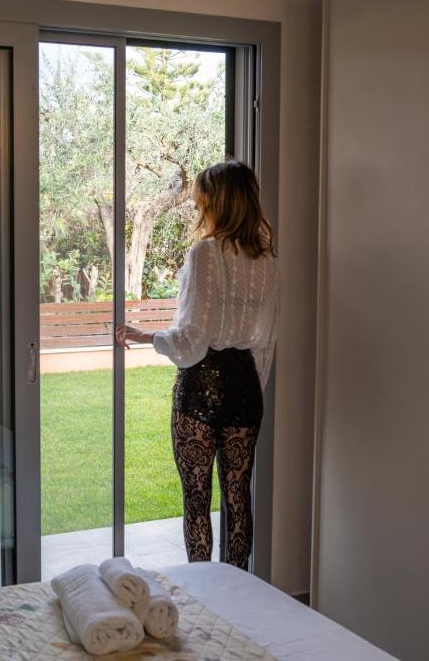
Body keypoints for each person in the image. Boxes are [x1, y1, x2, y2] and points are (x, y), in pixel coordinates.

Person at [115, 159, 280, 569]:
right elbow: (266, 340)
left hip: (202, 387)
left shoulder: (206, 253)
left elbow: (192, 340)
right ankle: (239, 591)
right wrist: (250, 389)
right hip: (245, 386)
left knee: (196, 498)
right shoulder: (268, 261)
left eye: (200, 197)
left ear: (216, 201)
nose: (195, 205)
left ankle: (202, 593)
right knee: (238, 496)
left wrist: (145, 336)